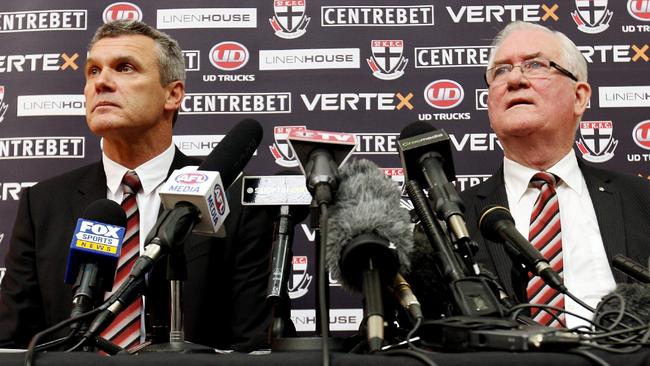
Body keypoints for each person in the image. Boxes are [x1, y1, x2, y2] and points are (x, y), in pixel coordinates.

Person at [0, 20, 274, 351]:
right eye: (92, 71)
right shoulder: (43, 203)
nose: (101, 82)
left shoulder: (232, 197)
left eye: (125, 68)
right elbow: (13, 342)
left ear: (172, 94)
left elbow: (252, 345)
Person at [460, 21, 650, 327]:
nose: (515, 79)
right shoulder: (451, 220)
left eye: (535, 65)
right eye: (500, 71)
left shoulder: (642, 201)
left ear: (579, 97)